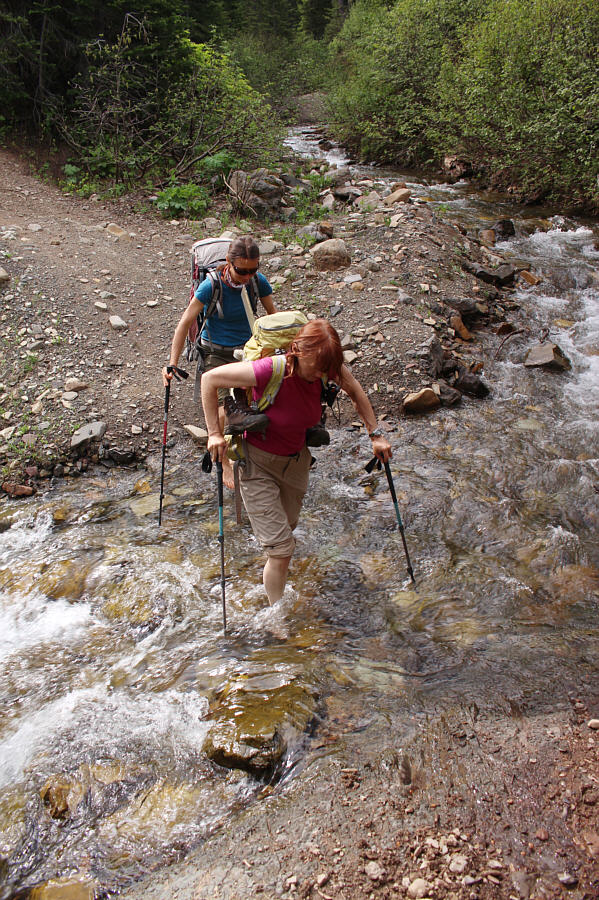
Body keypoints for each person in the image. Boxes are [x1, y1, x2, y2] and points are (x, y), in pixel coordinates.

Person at [201, 318, 392, 605]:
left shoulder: (327, 369)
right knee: (282, 550)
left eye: (327, 370)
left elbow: (356, 392)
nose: (322, 376)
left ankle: (267, 570)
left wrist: (375, 434)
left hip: (297, 461)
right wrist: (214, 433)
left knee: (284, 535)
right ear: (298, 352)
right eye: (316, 368)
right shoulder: (272, 369)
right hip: (258, 464)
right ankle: (276, 616)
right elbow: (210, 379)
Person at [162, 235, 277, 432]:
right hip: (216, 353)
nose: (247, 276)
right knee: (226, 411)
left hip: (249, 351)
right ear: (228, 262)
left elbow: (274, 318)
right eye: (241, 270)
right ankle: (220, 450)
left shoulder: (258, 282)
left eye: (253, 270)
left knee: (263, 399)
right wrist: (172, 363)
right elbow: (184, 323)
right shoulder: (211, 286)